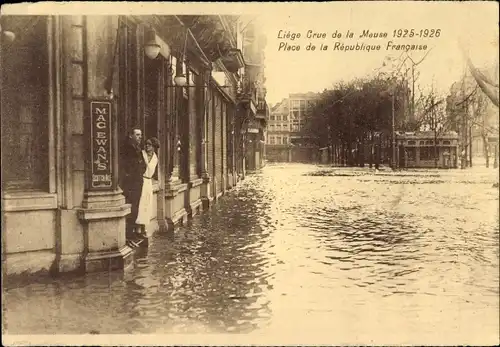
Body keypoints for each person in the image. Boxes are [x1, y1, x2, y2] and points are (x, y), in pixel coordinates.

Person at [120, 127, 146, 242]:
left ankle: (133, 232)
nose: (140, 137)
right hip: (131, 183)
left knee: (135, 207)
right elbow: (127, 166)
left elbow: (143, 165)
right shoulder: (128, 149)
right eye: (137, 135)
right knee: (131, 207)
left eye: (140, 135)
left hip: (137, 182)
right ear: (131, 136)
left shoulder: (137, 148)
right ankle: (129, 234)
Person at [135, 137, 159, 237]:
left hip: (148, 182)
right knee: (140, 204)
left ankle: (144, 226)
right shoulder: (141, 154)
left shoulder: (155, 158)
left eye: (149, 145)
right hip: (141, 180)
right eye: (146, 144)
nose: (147, 146)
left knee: (146, 205)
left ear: (154, 147)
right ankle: (137, 229)